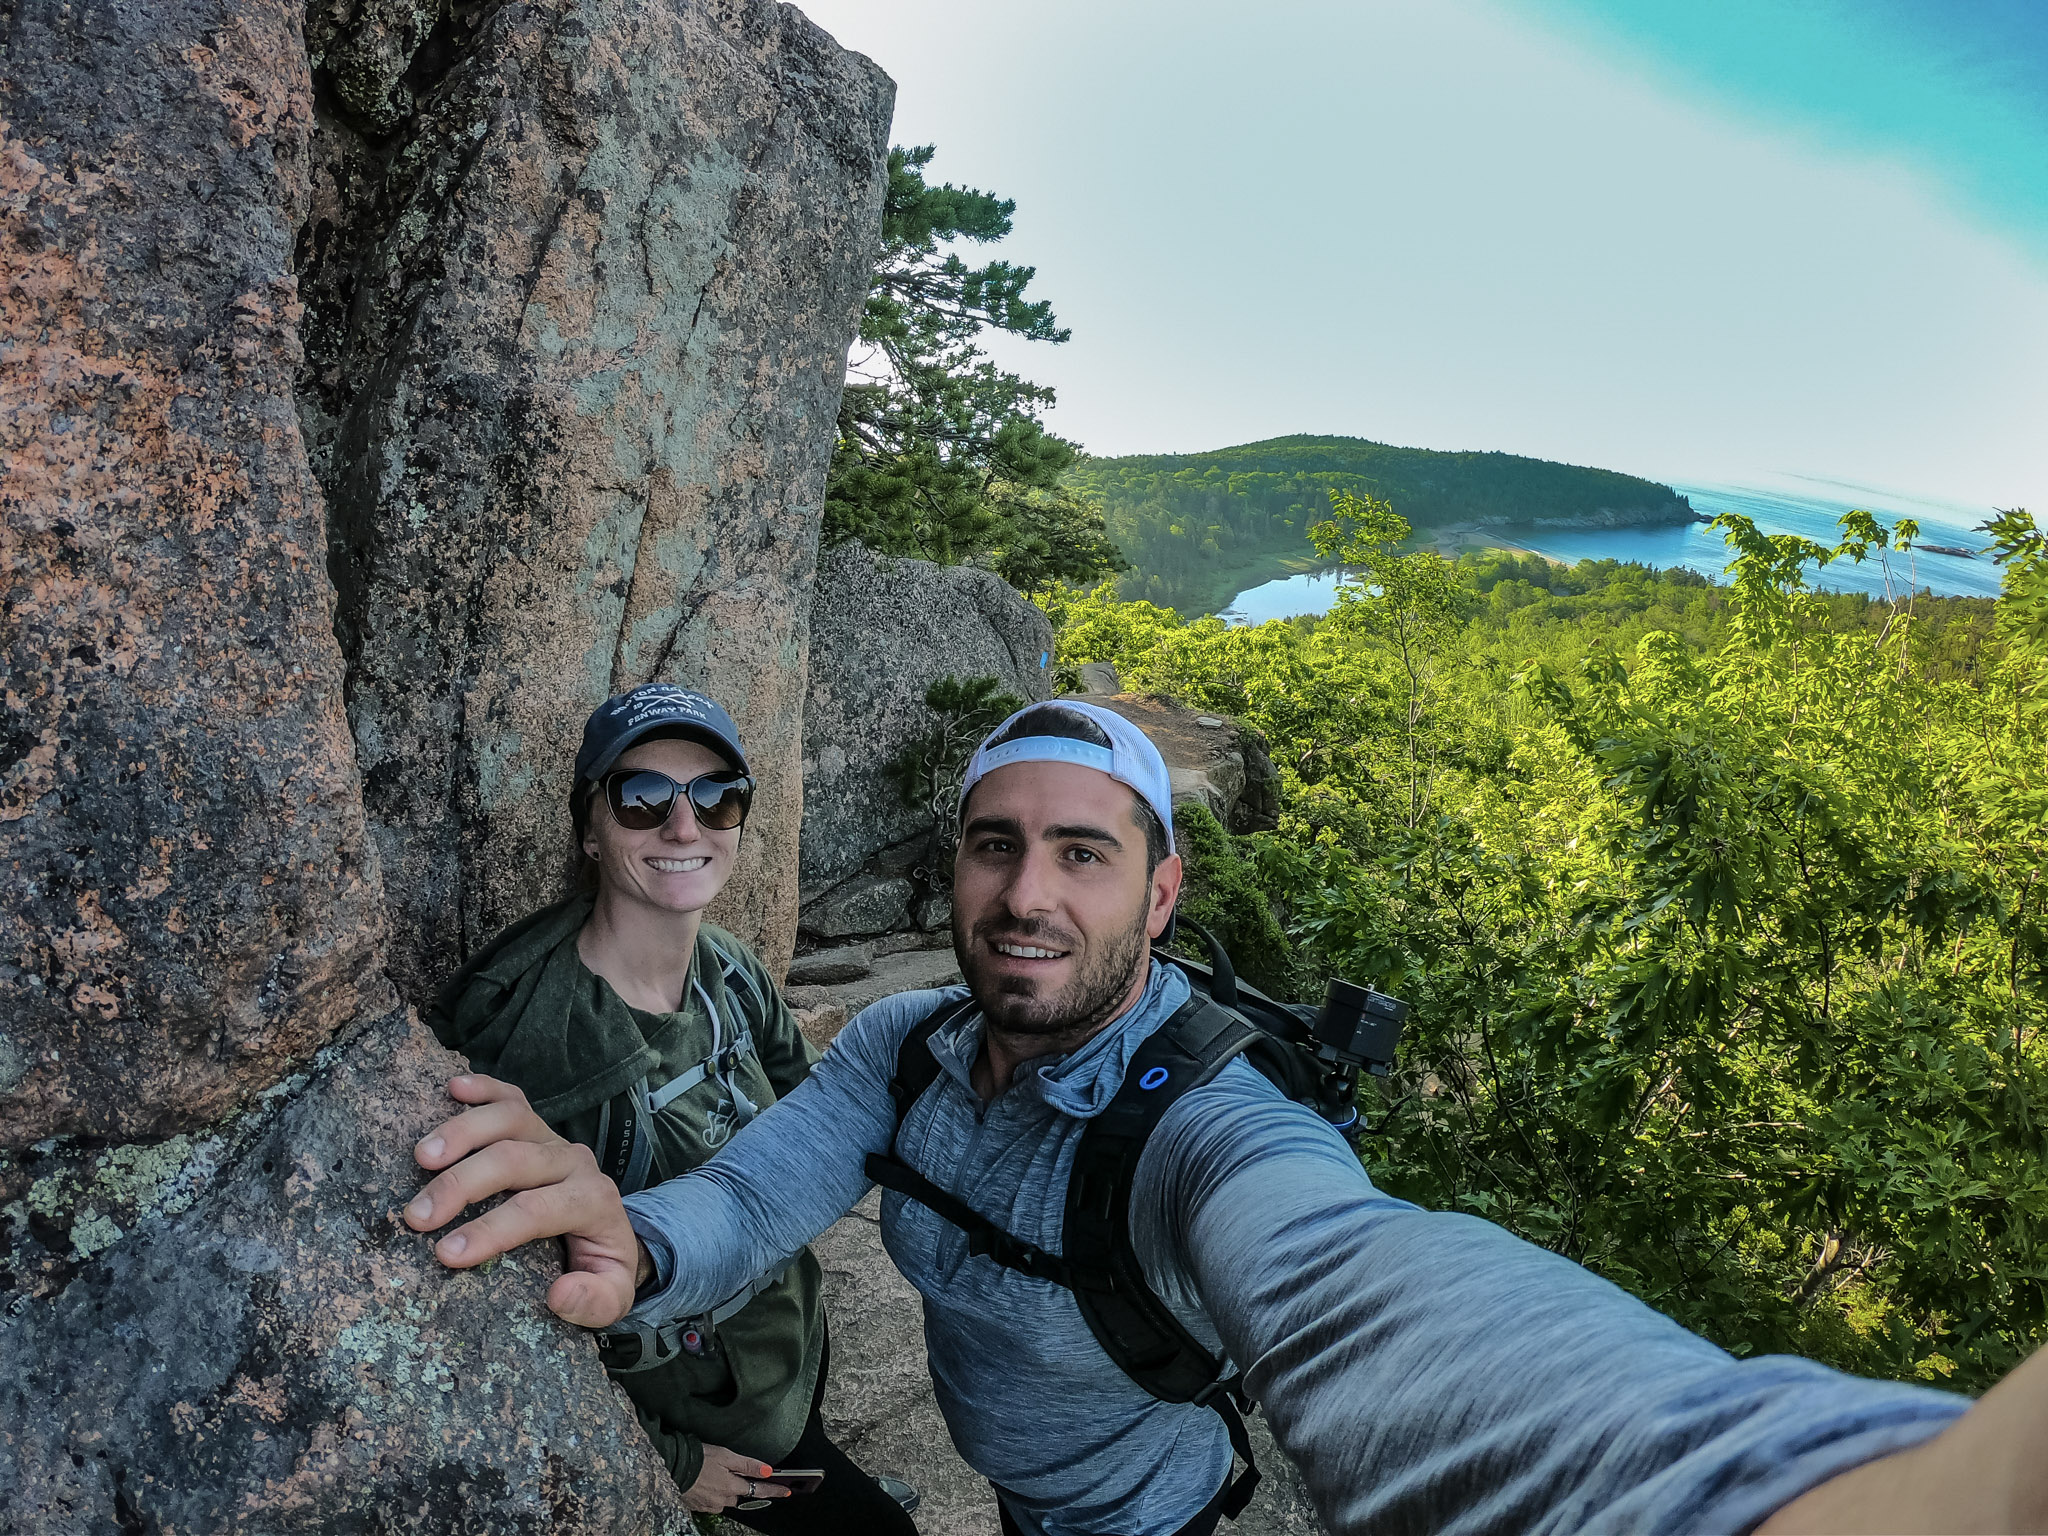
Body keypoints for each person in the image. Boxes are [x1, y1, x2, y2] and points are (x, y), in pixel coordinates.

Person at [404, 700, 2048, 1536]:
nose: (1024, 896)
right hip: (1025, 1493)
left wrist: (1769, 1492)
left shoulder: (1209, 1121)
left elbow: (1364, 1286)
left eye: (1082, 851)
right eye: (993, 845)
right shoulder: (905, 1043)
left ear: (1160, 884)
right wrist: (635, 1238)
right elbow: (752, 1200)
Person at [421, 683, 918, 1531]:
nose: (684, 828)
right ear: (590, 826)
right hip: (706, 1400)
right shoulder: (536, 1046)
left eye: (717, 798)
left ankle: (822, 1470)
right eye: (643, 797)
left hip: (783, 1336)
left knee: (819, 1462)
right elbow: (499, 1308)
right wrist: (670, 1462)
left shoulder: (726, 968)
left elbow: (816, 1121)